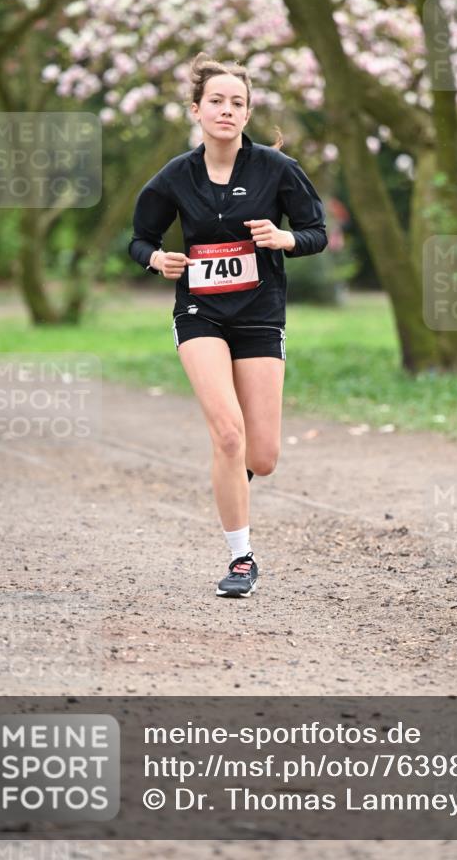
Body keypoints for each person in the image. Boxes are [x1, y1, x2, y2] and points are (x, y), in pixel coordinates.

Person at [128, 52, 328, 598]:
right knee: (229, 432)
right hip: (200, 311)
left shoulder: (276, 170)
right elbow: (139, 238)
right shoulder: (176, 176)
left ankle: (230, 476)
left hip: (260, 313)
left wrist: (286, 239)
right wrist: (156, 260)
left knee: (261, 456)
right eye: (216, 100)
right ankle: (241, 559)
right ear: (196, 109)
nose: (226, 109)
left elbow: (316, 232)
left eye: (236, 102)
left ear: (247, 112)